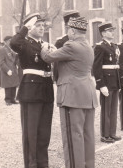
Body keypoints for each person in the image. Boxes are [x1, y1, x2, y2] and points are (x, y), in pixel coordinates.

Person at [41, 17, 98, 168]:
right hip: (88, 95)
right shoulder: (87, 46)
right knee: (87, 135)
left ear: (72, 31)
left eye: (68, 30)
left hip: (72, 96)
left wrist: (44, 47)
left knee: (73, 137)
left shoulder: (71, 45)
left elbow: (47, 57)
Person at [10, 13, 54, 168]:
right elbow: (14, 43)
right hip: (31, 90)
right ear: (30, 27)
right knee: (31, 133)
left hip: (46, 89)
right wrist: (25, 27)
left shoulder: (45, 45)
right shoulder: (24, 43)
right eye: (38, 25)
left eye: (43, 26)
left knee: (44, 132)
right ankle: (31, 164)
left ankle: (43, 163)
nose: (42, 28)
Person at [93, 22, 123, 143]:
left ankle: (112, 132)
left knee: (113, 108)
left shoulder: (115, 46)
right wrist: (101, 85)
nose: (112, 33)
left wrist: (121, 81)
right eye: (110, 31)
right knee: (106, 109)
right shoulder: (100, 47)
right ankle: (105, 134)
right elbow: (96, 67)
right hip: (106, 82)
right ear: (104, 33)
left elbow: (118, 65)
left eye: (112, 30)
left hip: (115, 81)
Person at [53, 10, 80, 82]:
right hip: (67, 80)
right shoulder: (61, 42)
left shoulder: (82, 40)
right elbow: (57, 65)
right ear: (66, 25)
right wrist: (58, 80)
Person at [0, 36, 20, 105]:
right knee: (8, 86)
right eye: (10, 40)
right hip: (7, 70)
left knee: (13, 85)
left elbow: (15, 59)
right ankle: (7, 100)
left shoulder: (11, 49)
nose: (11, 42)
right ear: (6, 41)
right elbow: (1, 62)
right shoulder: (2, 50)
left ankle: (12, 99)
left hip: (13, 69)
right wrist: (7, 70)